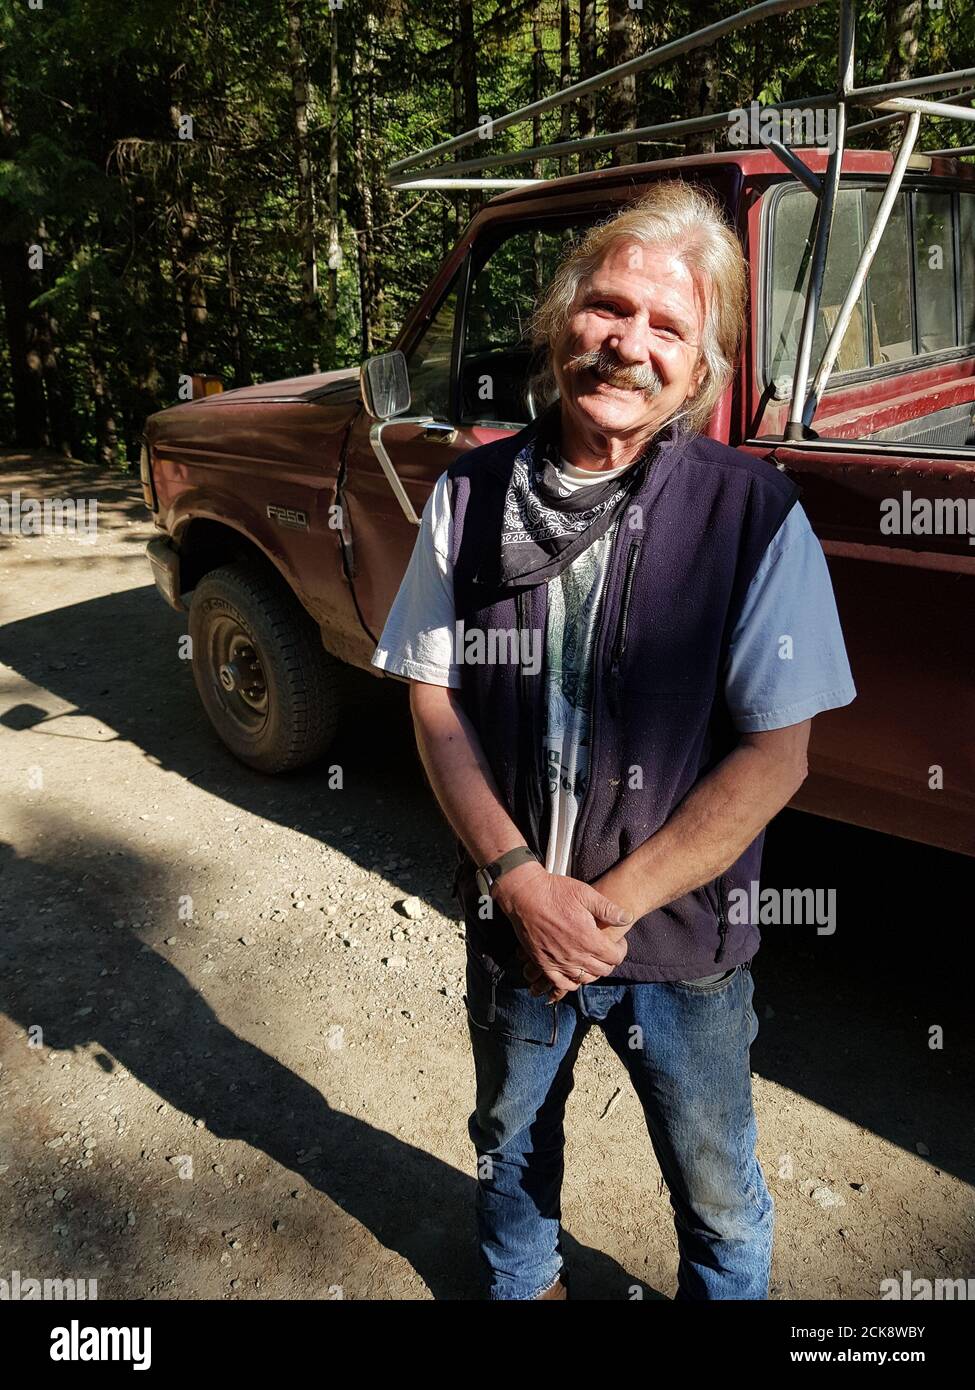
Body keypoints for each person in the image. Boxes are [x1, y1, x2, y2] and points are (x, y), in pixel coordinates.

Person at [371, 180, 856, 1301]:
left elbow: (779, 753)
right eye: (609, 306)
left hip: (682, 939)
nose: (628, 343)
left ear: (703, 365)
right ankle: (521, 1281)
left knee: (715, 1178)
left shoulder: (752, 514)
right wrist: (519, 882)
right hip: (513, 917)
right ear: (562, 316)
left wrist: (607, 906)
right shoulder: (470, 493)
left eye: (668, 326)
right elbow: (435, 700)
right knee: (508, 1140)